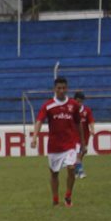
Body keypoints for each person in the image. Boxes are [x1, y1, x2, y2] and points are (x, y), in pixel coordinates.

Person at [31, 76, 82, 207]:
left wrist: (83, 142)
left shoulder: (73, 105)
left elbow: (78, 123)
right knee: (54, 173)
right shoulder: (48, 106)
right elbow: (39, 121)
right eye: (59, 88)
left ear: (67, 89)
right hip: (54, 146)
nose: (61, 90)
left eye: (64, 88)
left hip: (70, 144)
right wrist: (35, 137)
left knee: (71, 168)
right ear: (54, 89)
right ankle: (55, 200)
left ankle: (68, 196)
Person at [73, 90, 95, 178]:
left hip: (85, 136)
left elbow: (91, 121)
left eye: (81, 101)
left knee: (82, 154)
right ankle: (81, 172)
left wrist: (92, 129)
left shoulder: (87, 110)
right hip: (74, 137)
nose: (79, 103)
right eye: (77, 101)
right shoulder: (71, 111)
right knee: (78, 154)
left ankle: (75, 171)